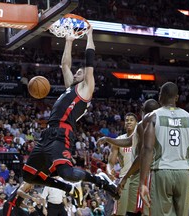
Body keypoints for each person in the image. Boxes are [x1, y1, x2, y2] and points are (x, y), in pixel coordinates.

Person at [22, 26, 119, 206]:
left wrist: (89, 35)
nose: (76, 73)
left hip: (63, 133)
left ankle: (100, 180)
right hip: (47, 134)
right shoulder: (70, 88)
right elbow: (65, 65)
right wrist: (69, 41)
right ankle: (68, 189)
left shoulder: (85, 89)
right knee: (28, 175)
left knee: (67, 173)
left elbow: (89, 62)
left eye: (79, 72)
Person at [139, 82, 189, 216]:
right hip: (184, 174)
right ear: (177, 97)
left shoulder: (152, 117)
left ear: (160, 97)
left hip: (161, 172)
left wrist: (142, 182)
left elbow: (147, 149)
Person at [97, 99, 159, 216]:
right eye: (126, 120)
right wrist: (108, 139)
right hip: (129, 175)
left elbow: (142, 155)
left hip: (144, 173)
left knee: (143, 210)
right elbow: (128, 142)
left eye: (131, 120)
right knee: (126, 211)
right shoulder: (124, 138)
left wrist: (126, 177)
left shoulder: (145, 127)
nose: (129, 122)